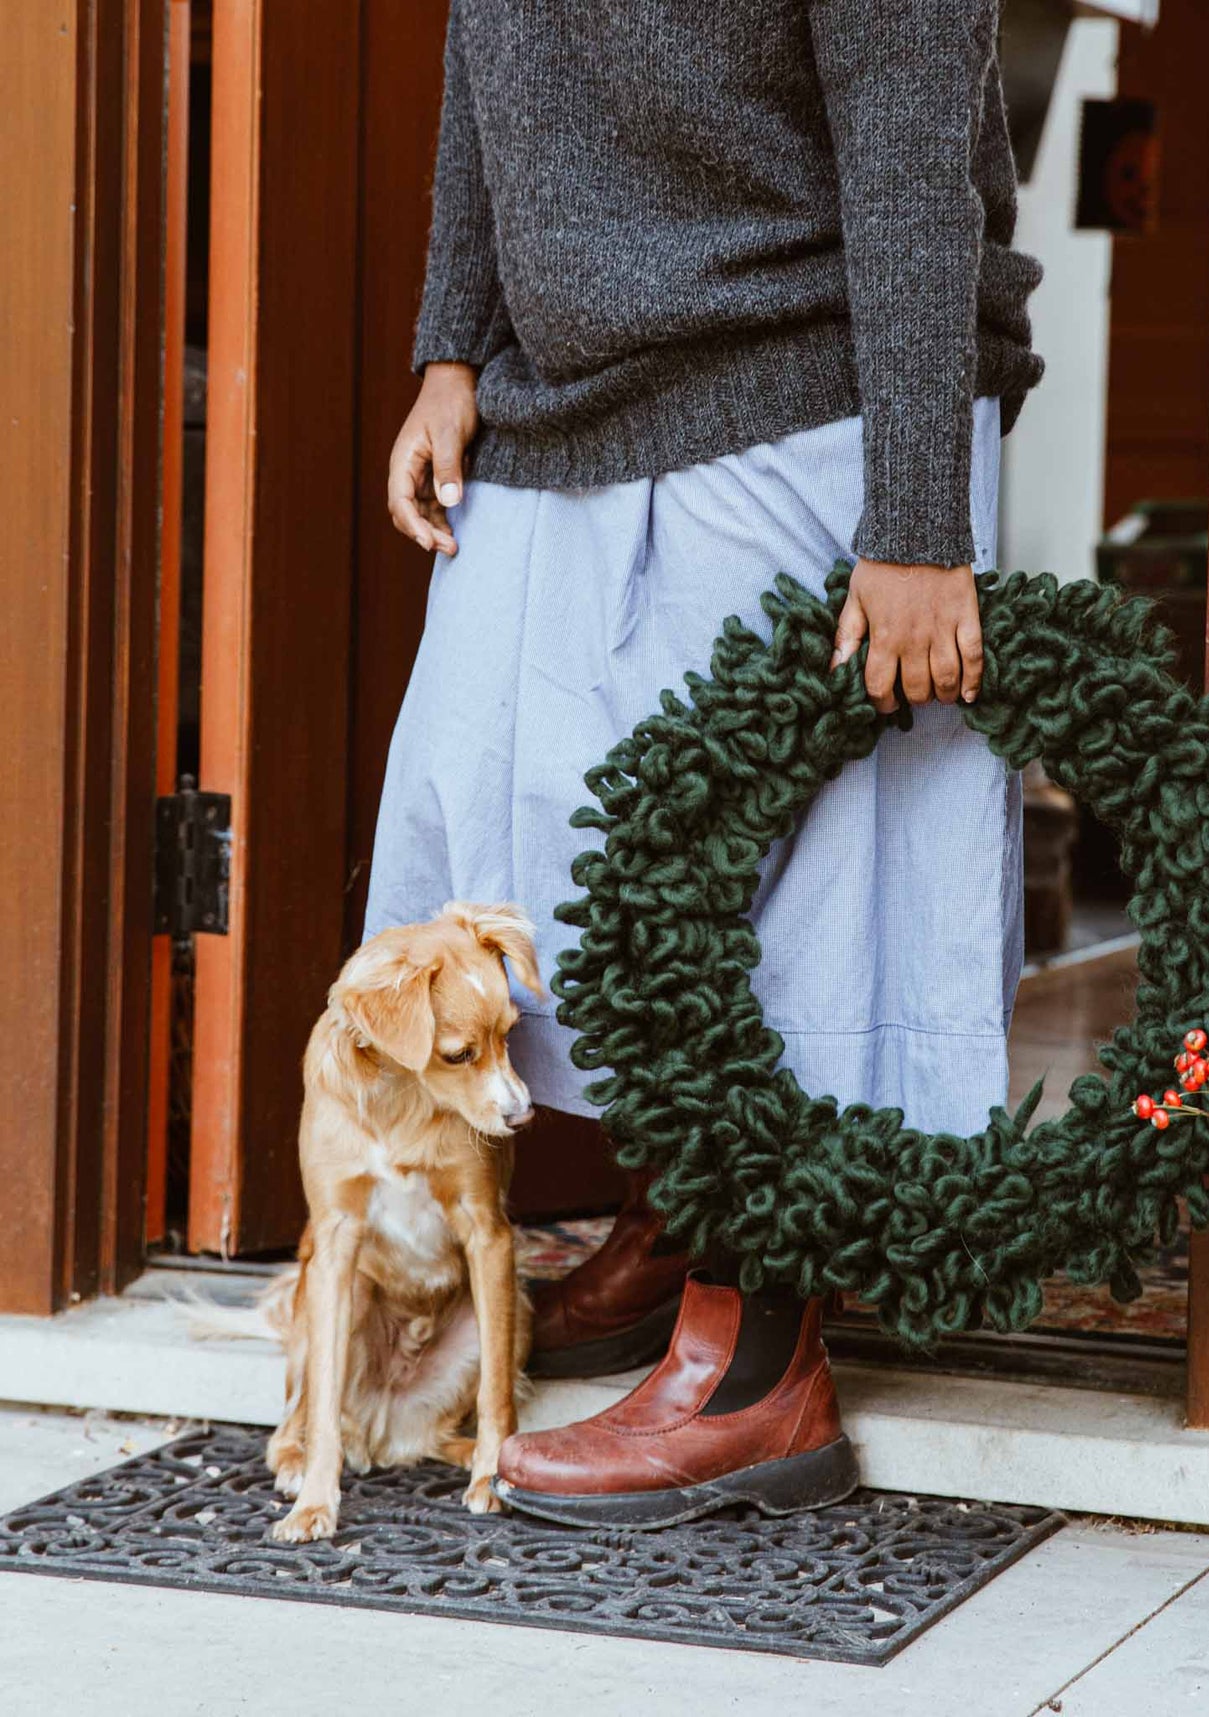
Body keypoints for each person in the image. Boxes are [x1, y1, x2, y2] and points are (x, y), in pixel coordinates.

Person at [370, 0, 1043, 1528]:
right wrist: (451, 346)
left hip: (810, 376)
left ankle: (757, 1362)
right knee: (513, 815)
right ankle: (679, 1215)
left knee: (792, 885)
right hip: (562, 386)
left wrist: (918, 522)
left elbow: (908, 152)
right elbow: (491, 60)